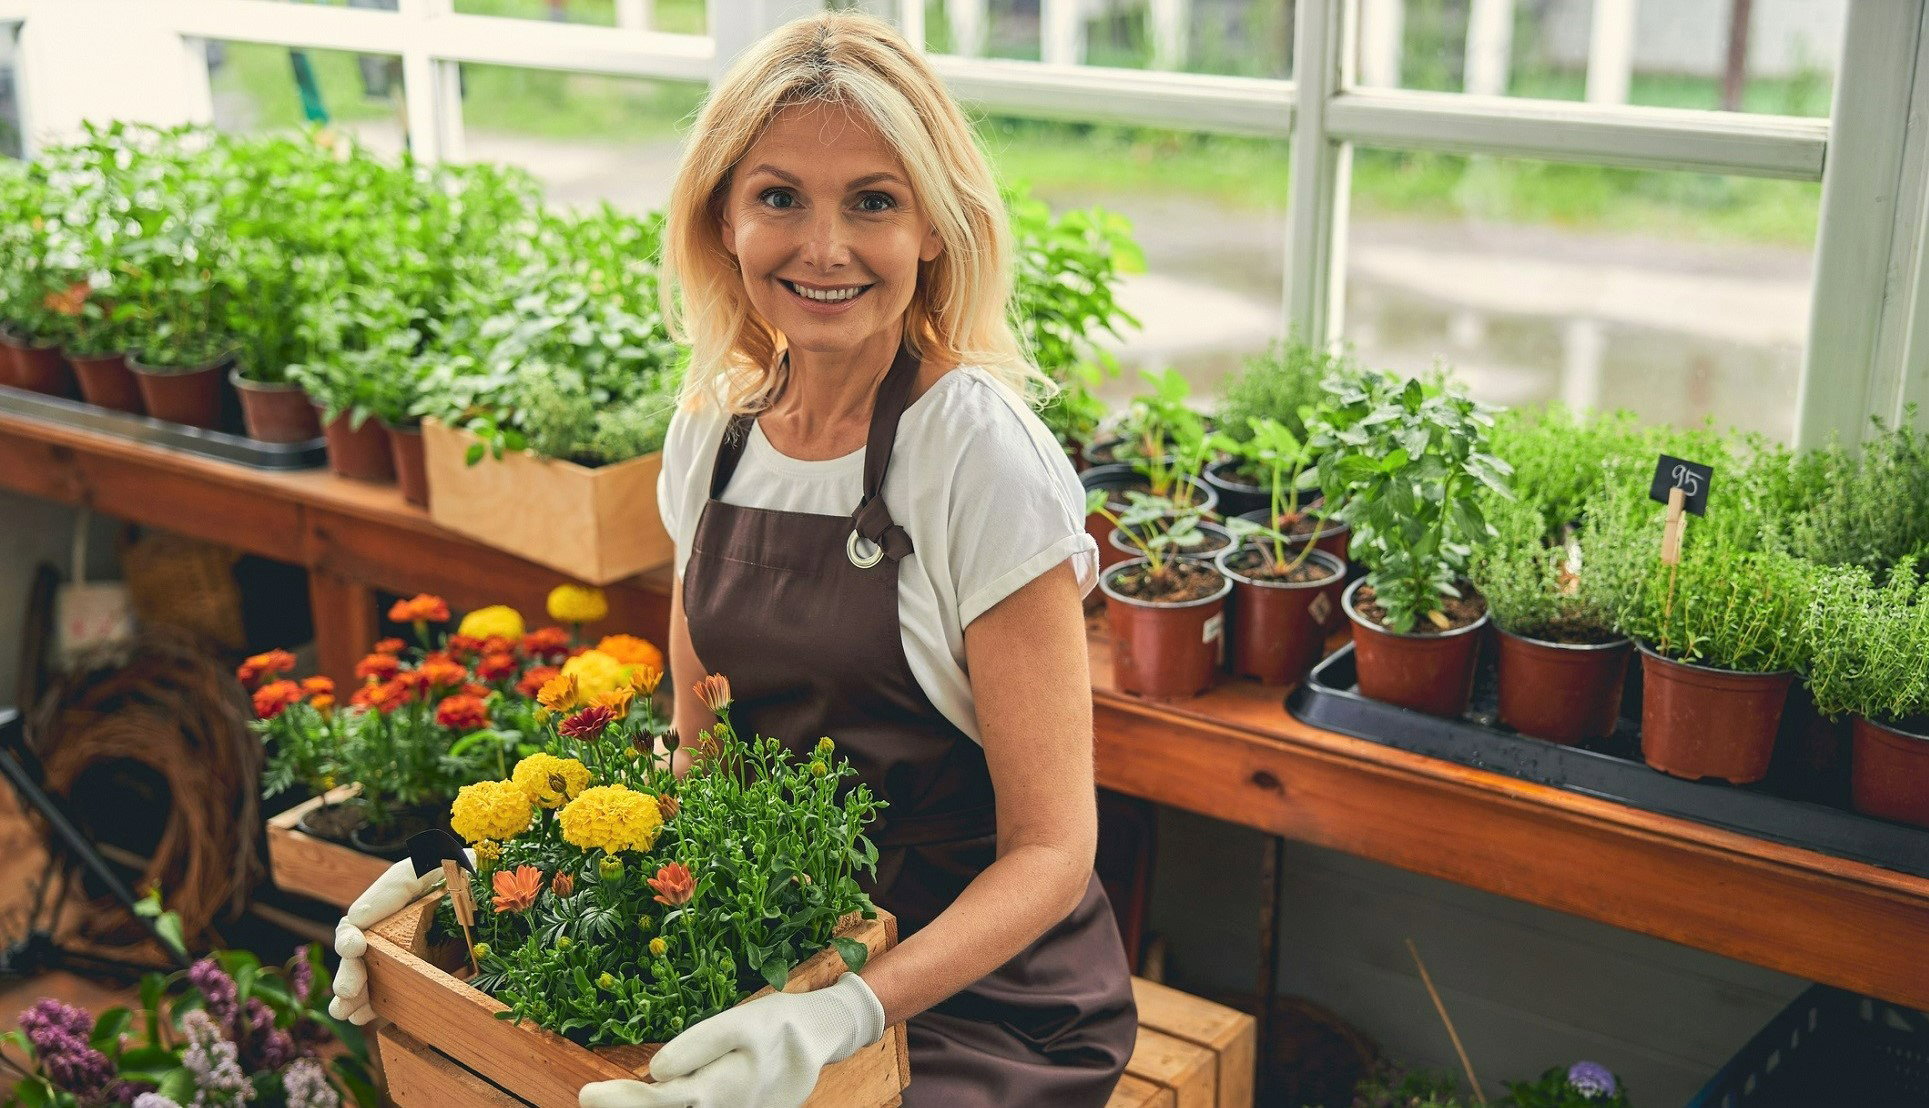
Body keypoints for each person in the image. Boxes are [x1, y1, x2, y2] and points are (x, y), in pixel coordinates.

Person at [328, 11, 1137, 1106]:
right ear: (723, 219)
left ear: (935, 230)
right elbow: (697, 764)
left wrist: (841, 1011)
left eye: (874, 201)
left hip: (980, 998)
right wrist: (479, 878)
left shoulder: (978, 457)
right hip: (768, 940)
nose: (825, 246)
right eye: (778, 197)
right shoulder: (713, 437)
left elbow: (1051, 852)